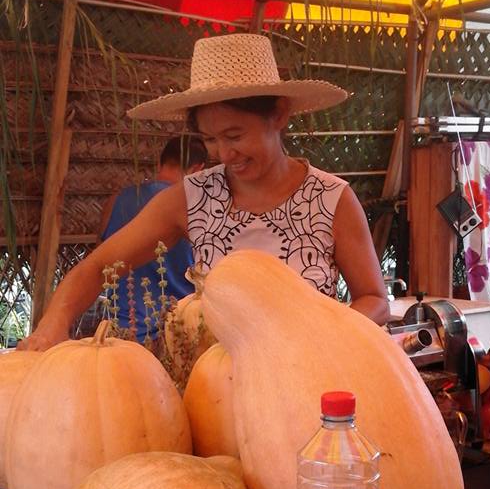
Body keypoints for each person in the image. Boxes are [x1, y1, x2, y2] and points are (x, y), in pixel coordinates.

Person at [20, 34, 389, 351]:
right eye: (210, 139)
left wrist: (330, 336)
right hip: (214, 396)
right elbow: (98, 266)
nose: (224, 154)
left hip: (314, 386)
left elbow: (374, 300)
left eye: (234, 135)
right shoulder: (193, 197)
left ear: (278, 115)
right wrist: (53, 324)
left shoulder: (331, 198)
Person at [95, 136, 207, 342]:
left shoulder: (115, 201)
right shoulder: (194, 209)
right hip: (177, 337)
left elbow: (100, 263)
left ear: (160, 163)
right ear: (198, 170)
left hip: (121, 333)